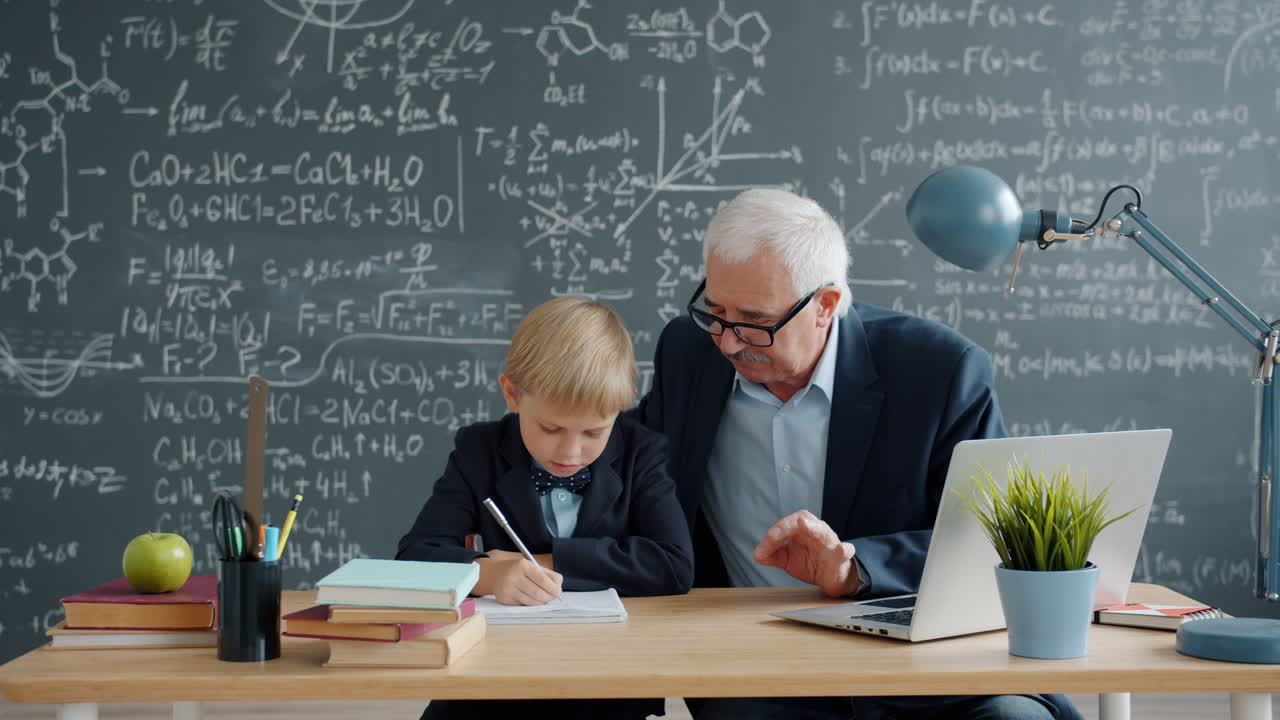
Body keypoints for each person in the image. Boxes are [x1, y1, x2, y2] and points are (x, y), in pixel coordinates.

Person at [633, 188, 1085, 720]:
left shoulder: (940, 371)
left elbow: (993, 538)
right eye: (715, 311)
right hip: (760, 672)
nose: (728, 342)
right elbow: (629, 475)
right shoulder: (688, 353)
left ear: (825, 305)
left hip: (928, 669)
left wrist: (857, 569)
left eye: (754, 320)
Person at [398, 295, 694, 720]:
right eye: (551, 428)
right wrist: (486, 574)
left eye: (593, 432)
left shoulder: (641, 453)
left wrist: (542, 563)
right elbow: (414, 557)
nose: (570, 452)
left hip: (609, 686)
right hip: (488, 685)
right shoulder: (479, 451)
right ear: (512, 393)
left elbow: (674, 565)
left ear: (624, 402)